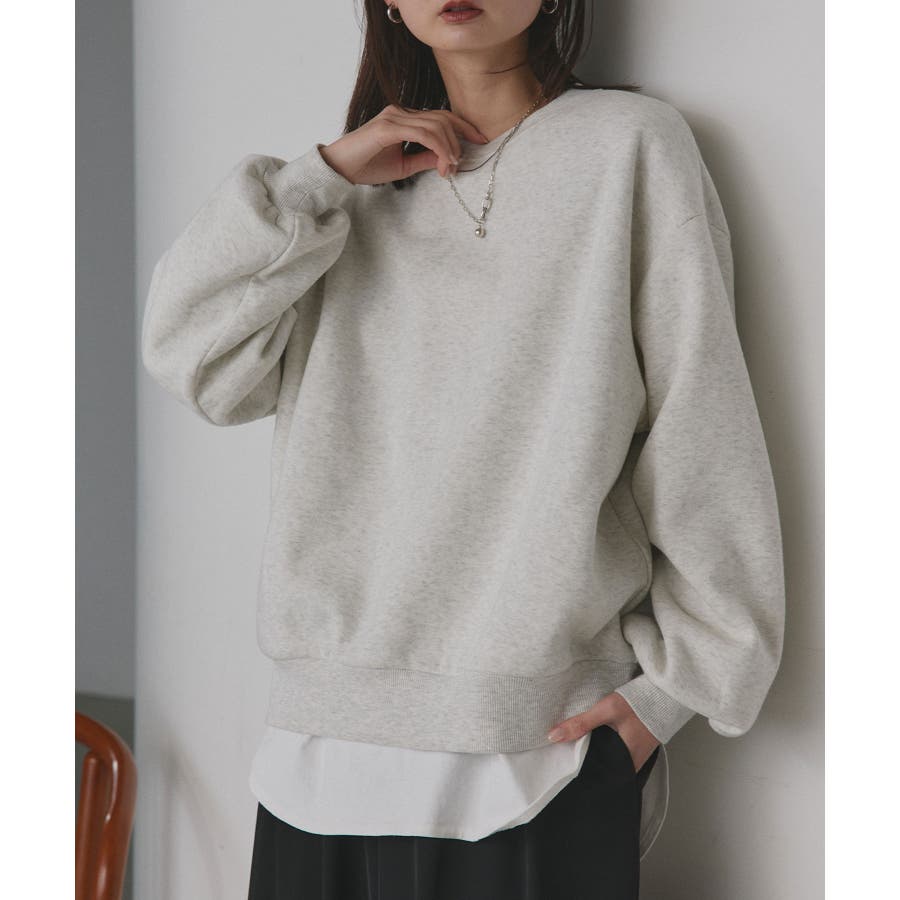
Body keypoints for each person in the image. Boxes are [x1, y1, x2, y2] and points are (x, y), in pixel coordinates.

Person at [140, 1, 786, 897]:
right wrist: (320, 177)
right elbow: (194, 359)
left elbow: (699, 422)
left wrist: (677, 690)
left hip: (537, 756)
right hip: (319, 759)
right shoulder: (336, 197)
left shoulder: (629, 146)